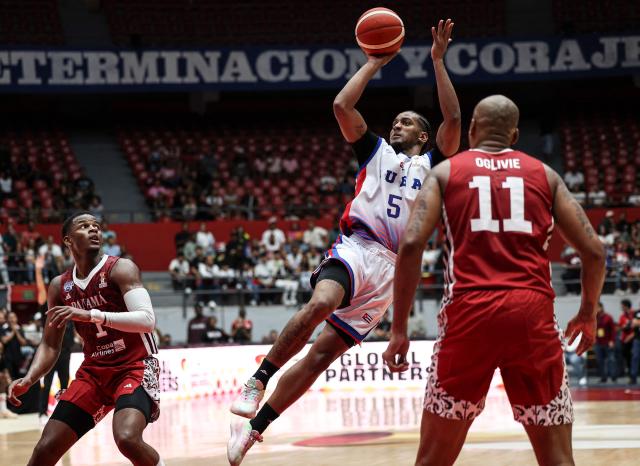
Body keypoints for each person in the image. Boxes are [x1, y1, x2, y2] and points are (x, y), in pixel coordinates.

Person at [227, 19, 461, 465]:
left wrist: (437, 62)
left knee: (319, 358)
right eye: (394, 121)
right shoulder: (375, 151)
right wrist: (373, 64)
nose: (397, 125)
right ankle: (258, 379)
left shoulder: (434, 162)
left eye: (407, 122)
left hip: (393, 271)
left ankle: (253, 431)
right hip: (356, 246)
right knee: (320, 303)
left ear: (423, 136)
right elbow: (341, 104)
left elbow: (453, 118)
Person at [382, 94, 605, 466]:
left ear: (471, 130)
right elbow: (594, 252)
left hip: (468, 315)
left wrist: (399, 329)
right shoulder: (545, 175)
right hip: (532, 316)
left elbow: (410, 245)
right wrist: (587, 313)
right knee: (558, 459)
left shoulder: (445, 172)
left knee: (433, 459)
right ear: (514, 135)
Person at [8, 212, 163, 466]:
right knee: (45, 449)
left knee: (126, 438)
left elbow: (147, 320)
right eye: (84, 226)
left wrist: (91, 315)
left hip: (134, 367)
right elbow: (49, 343)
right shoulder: (60, 286)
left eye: (96, 226)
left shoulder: (121, 268)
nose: (93, 230)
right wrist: (29, 378)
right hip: (93, 373)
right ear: (68, 241)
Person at [39, 320, 74, 424]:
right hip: (51, 356)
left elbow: (71, 340)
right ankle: (42, 413)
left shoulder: (70, 321)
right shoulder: (52, 319)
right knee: (47, 385)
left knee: (64, 386)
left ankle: (63, 413)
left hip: (65, 355)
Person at [594, 302, 616, 383]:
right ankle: (603, 377)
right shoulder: (594, 318)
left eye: (597, 308)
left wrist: (612, 341)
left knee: (611, 360)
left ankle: (613, 377)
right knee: (600, 360)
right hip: (598, 343)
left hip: (607, 342)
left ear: (601, 307)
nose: (596, 309)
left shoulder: (608, 317)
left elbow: (613, 331)